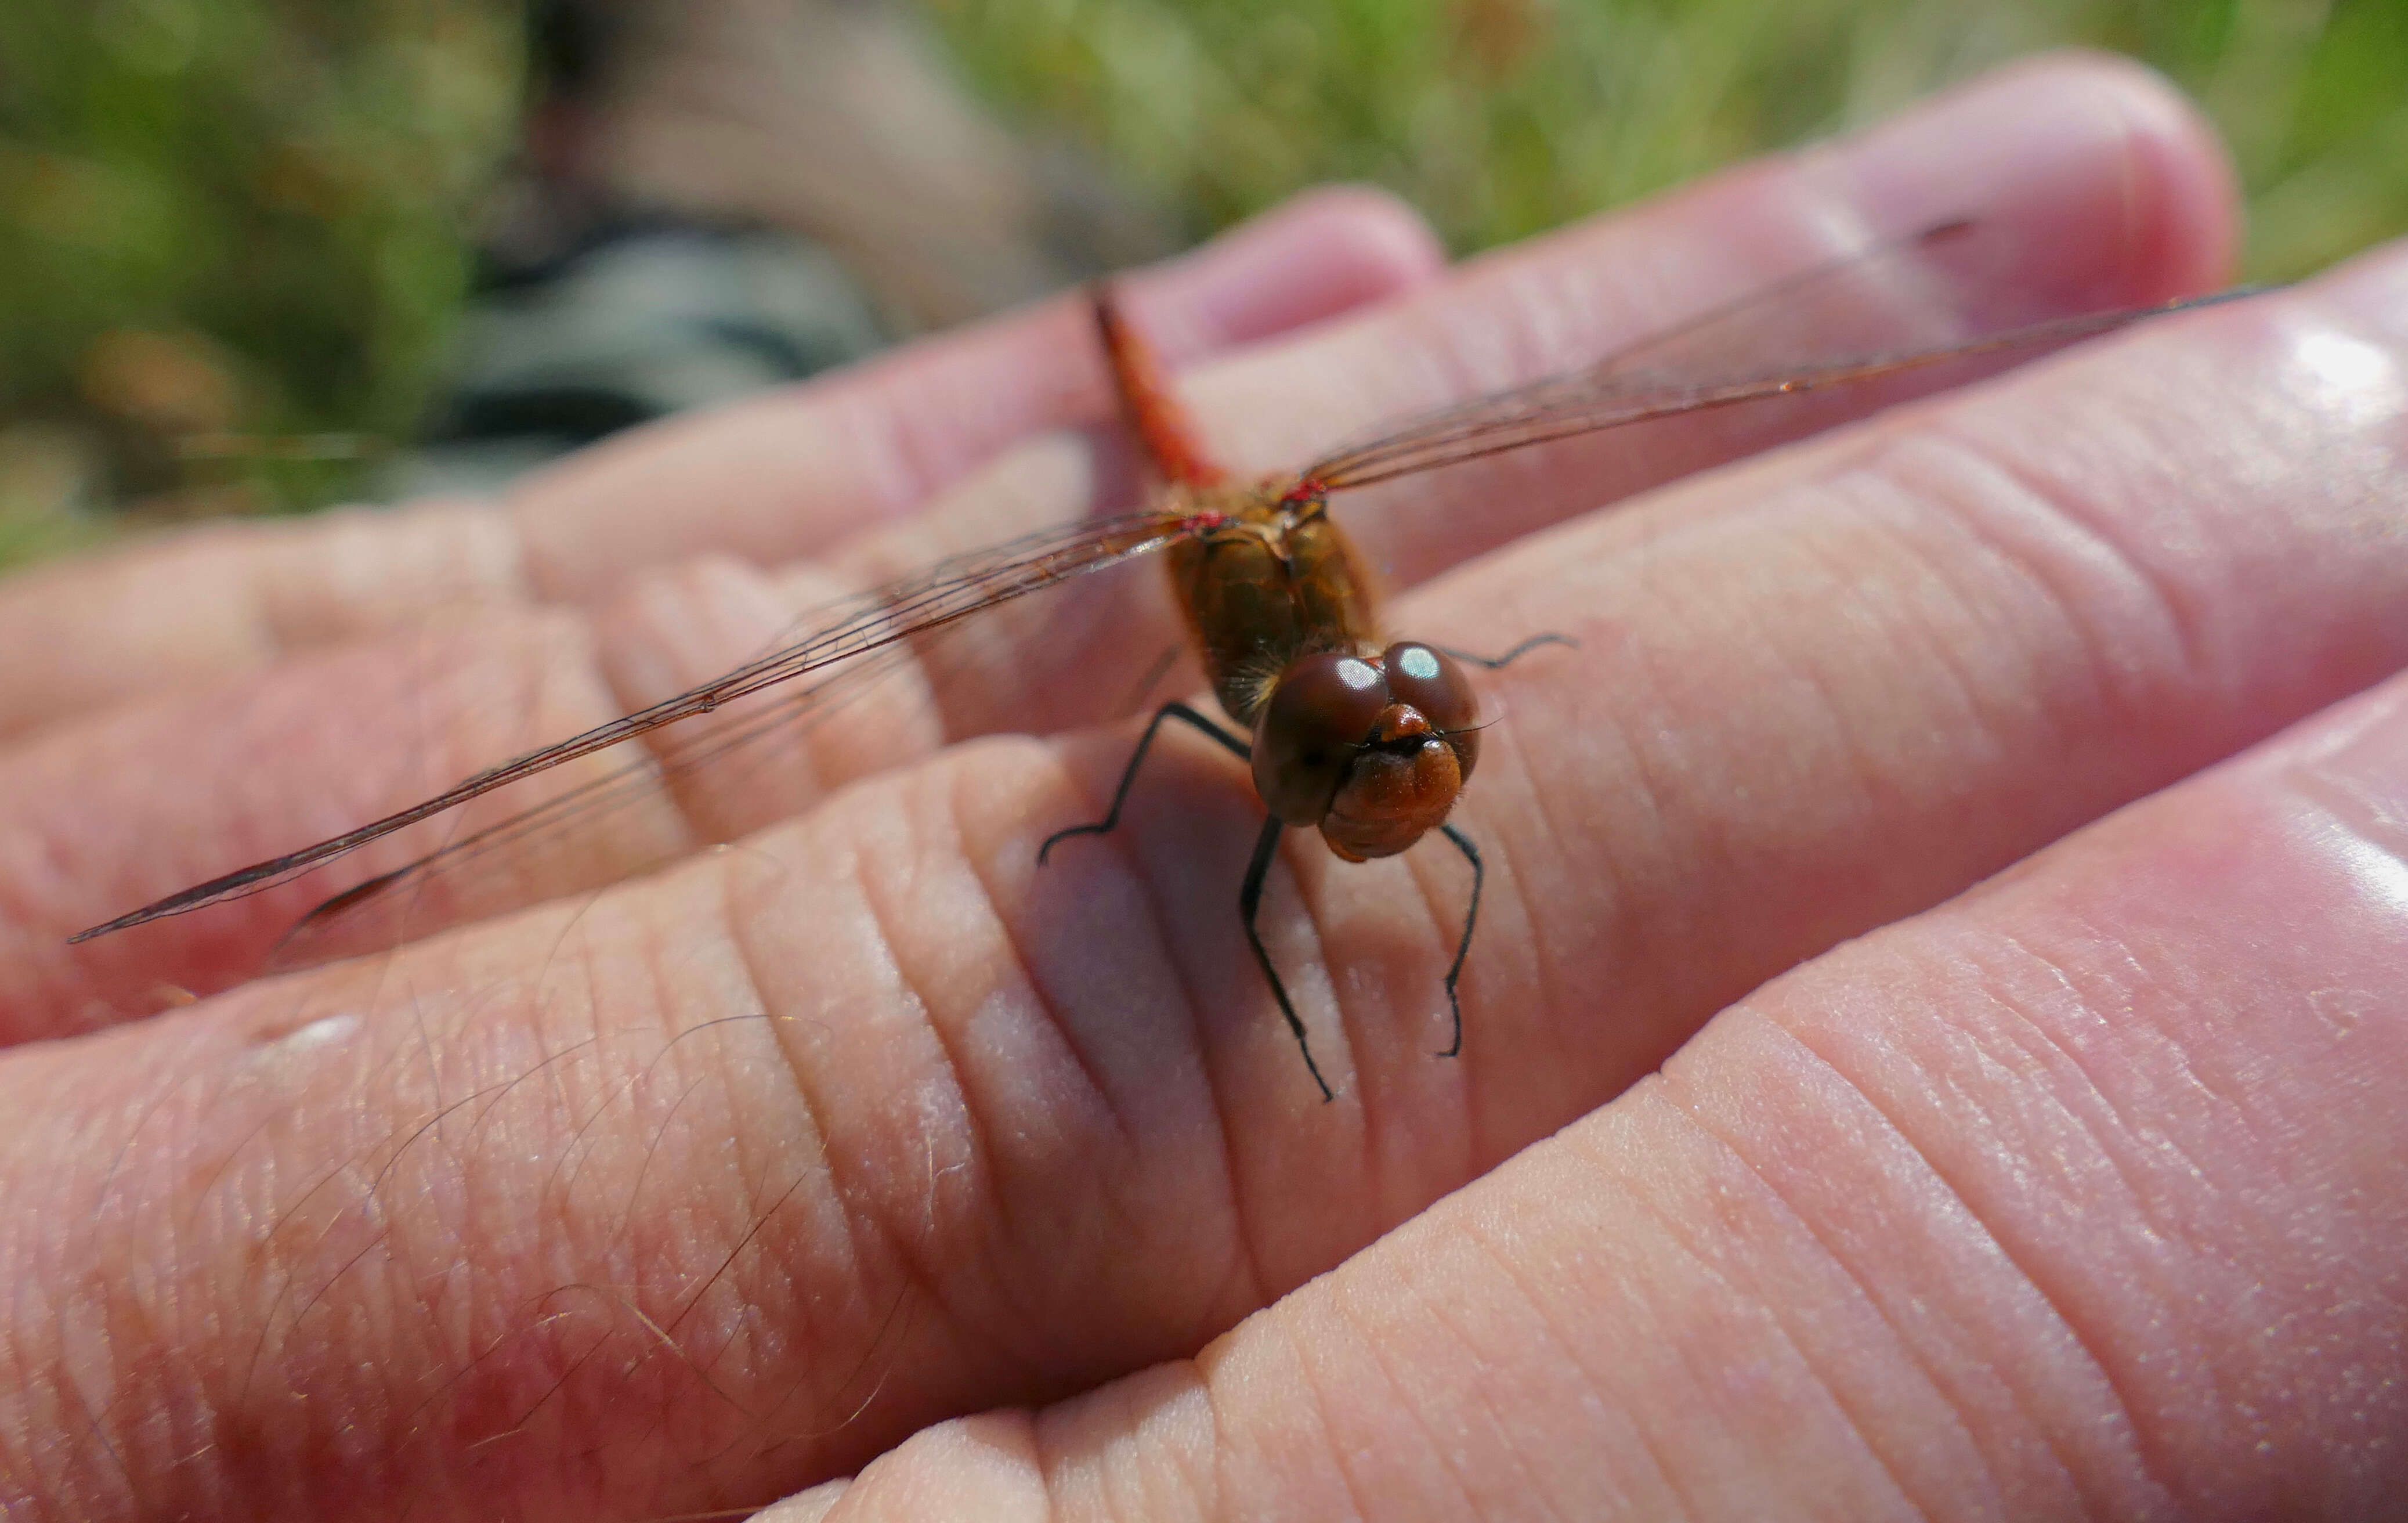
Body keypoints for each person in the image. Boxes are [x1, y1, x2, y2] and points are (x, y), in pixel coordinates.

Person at [4, 53, 2404, 1520]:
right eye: (1371, 737)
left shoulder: (1384, 700)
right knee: (1056, 515)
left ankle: (759, 251)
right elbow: (1182, 760)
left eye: (1405, 723)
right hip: (1150, 478)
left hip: (1243, 498)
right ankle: (882, 281)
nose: (1406, 758)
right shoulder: (1229, 708)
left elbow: (1425, 814)